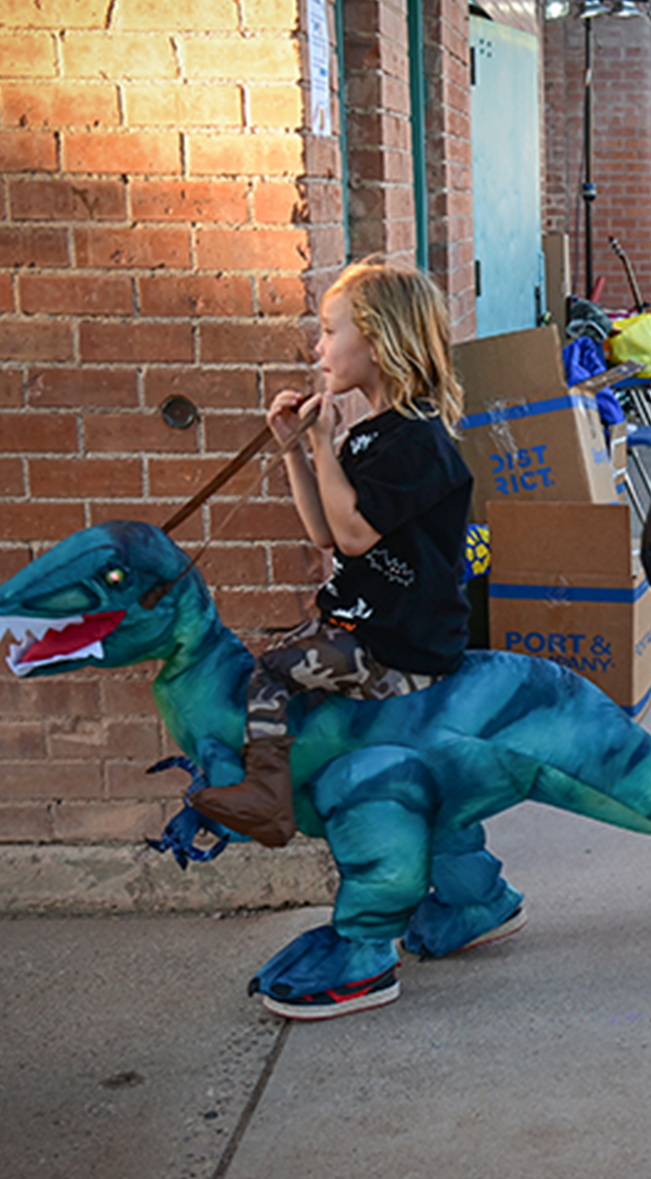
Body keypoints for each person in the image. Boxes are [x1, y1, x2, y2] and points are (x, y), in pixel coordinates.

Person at [192, 261, 475, 847]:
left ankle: (268, 803)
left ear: (377, 341)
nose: (317, 347)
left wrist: (322, 440)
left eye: (328, 331)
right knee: (275, 664)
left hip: (402, 644)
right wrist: (295, 449)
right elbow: (324, 529)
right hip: (361, 624)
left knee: (267, 676)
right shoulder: (372, 432)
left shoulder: (418, 439)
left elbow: (352, 537)